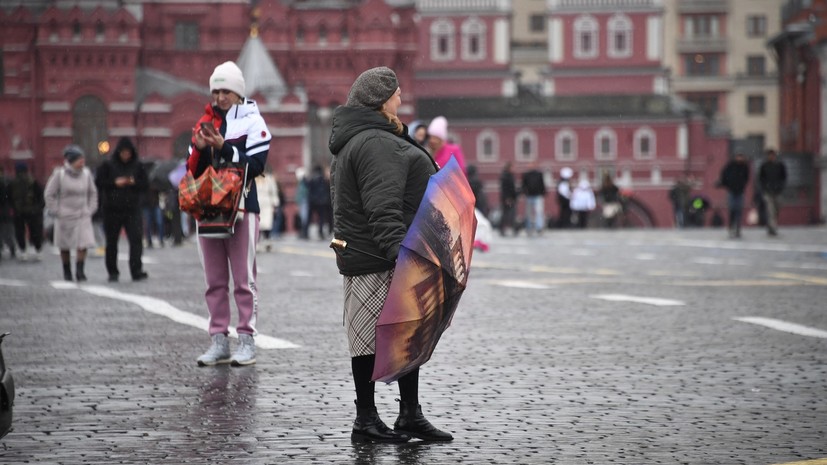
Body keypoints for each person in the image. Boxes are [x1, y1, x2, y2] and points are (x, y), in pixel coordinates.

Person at [328, 66, 453, 443]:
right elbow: (382, 207)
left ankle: (408, 415)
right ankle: (365, 419)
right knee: (369, 338)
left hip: (374, 252)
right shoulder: (375, 143)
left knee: (404, 334)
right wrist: (401, 257)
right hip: (376, 257)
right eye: (396, 94)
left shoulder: (376, 137)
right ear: (382, 99)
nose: (401, 100)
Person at [187, 61, 271, 367]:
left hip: (242, 208)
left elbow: (256, 165)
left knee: (243, 279)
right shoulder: (204, 123)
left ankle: (246, 339)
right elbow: (193, 171)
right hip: (208, 209)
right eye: (216, 90)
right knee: (214, 280)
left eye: (227, 90)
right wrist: (198, 149)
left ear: (238, 93)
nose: (221, 96)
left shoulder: (252, 121)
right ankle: (219, 341)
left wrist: (224, 147)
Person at [95, 137, 150, 282]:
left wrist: (134, 182)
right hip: (112, 209)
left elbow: (145, 184)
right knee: (112, 241)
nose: (126, 155)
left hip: (132, 208)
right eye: (123, 152)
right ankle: (113, 271)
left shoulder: (138, 166)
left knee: (136, 240)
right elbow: (99, 182)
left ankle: (136, 270)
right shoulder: (108, 165)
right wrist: (114, 183)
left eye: (128, 152)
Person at [43, 145, 98, 281]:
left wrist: (90, 209)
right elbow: (49, 194)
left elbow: (93, 193)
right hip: (65, 216)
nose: (82, 161)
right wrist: (57, 210)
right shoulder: (59, 174)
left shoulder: (86, 174)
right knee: (65, 245)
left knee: (83, 244)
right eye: (79, 159)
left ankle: (80, 271)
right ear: (71, 160)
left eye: (83, 159)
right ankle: (67, 270)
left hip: (83, 215)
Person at [8, 162, 45, 261]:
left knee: (20, 232)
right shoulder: (33, 181)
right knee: (35, 232)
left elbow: (9, 197)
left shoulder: (12, 182)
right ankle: (38, 250)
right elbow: (41, 196)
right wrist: (38, 208)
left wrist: (12, 208)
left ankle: (23, 251)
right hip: (33, 211)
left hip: (18, 211)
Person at [718, 153, 750, 239]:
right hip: (731, 191)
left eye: (741, 157)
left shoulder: (744, 167)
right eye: (738, 156)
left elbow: (747, 178)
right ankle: (731, 227)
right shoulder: (730, 166)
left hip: (740, 191)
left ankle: (738, 228)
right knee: (732, 209)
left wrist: (742, 185)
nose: (739, 158)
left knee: (739, 210)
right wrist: (727, 184)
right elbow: (724, 176)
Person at [758, 149, 787, 236]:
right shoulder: (764, 166)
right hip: (768, 192)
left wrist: (781, 187)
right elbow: (761, 179)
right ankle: (773, 227)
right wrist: (764, 188)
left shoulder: (780, 165)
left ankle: (771, 225)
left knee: (777, 209)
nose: (771, 157)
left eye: (773, 155)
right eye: (770, 155)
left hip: (778, 191)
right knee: (770, 210)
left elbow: (784, 177)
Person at [255, 167, 279, 250]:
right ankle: (256, 241)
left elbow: (274, 192)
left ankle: (267, 239)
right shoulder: (254, 179)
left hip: (267, 204)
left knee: (267, 224)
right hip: (257, 203)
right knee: (257, 223)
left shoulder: (269, 179)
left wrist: (275, 204)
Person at [521, 162, 546, 235]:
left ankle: (539, 227)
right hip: (529, 196)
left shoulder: (539, 174)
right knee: (528, 213)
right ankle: (528, 227)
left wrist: (543, 193)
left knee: (539, 212)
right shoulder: (526, 175)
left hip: (537, 195)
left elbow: (542, 184)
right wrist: (524, 192)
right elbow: (523, 185)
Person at [307, 164, 332, 240]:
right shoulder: (323, 179)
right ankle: (320, 232)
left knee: (309, 217)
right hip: (322, 201)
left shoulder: (312, 179)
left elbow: (309, 189)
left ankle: (305, 232)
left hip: (313, 201)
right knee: (321, 218)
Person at [0, 167, 16, 261]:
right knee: (8, 231)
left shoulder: (6, 182)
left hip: (5, 211)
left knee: (5, 231)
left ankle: (7, 248)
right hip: (7, 211)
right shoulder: (9, 181)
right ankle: (11, 248)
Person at [498, 162, 518, 236]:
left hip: (510, 197)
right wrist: (507, 198)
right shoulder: (506, 177)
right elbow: (506, 189)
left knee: (509, 214)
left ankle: (507, 228)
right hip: (508, 198)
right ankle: (505, 228)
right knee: (508, 214)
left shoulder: (508, 176)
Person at [295, 167, 309, 239]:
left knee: (303, 218)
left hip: (303, 202)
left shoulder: (302, 183)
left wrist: (297, 201)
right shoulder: (304, 182)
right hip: (304, 201)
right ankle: (303, 233)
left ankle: (303, 233)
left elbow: (300, 193)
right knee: (304, 218)